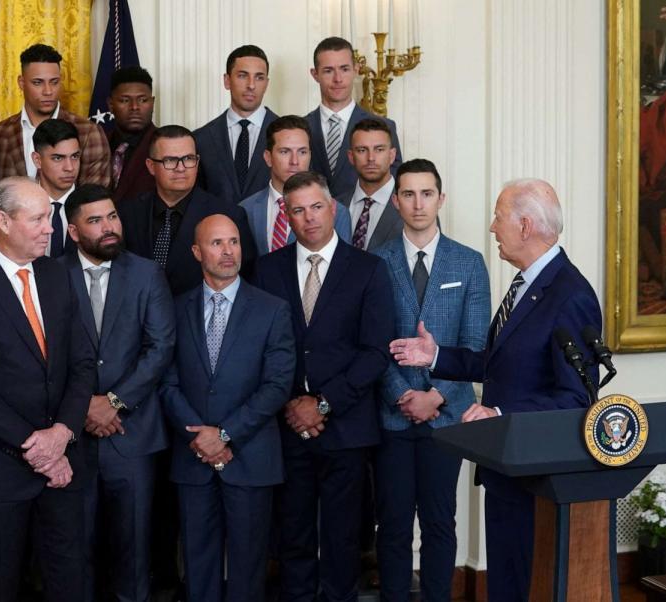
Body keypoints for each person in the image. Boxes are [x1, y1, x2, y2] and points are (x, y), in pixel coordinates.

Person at [389, 178, 602, 601]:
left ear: (525, 225)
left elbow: (576, 397)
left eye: (499, 217)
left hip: (535, 475)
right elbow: (499, 364)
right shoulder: (527, 284)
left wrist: (500, 415)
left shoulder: (569, 294)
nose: (491, 227)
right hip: (509, 469)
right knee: (507, 583)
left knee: (525, 583)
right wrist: (435, 356)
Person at [0, 176, 96, 601]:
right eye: (40, 219)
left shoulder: (58, 276)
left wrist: (62, 434)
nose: (51, 228)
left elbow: (82, 365)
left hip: (64, 467)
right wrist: (38, 449)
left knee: (69, 582)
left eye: (51, 218)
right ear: (3, 221)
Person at [253, 170, 394, 602]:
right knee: (291, 533)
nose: (309, 217)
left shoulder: (369, 269)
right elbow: (258, 350)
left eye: (317, 207)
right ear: (286, 215)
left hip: (347, 428)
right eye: (298, 210)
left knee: (342, 537)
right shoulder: (266, 270)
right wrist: (292, 406)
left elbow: (375, 351)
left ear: (333, 208)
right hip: (287, 424)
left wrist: (324, 404)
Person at [373, 159, 491, 601]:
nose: (418, 203)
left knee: (441, 521)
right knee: (394, 523)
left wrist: (437, 396)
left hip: (446, 420)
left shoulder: (469, 262)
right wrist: (403, 394)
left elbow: (475, 347)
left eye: (427, 194)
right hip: (393, 416)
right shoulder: (375, 262)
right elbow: (371, 343)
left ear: (441, 199)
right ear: (396, 200)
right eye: (408, 194)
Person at [162, 214, 295, 601]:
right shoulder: (175, 307)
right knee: (197, 565)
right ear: (196, 251)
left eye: (233, 242)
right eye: (217, 243)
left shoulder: (272, 309)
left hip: (250, 456)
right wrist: (200, 436)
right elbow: (166, 381)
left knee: (248, 568)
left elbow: (276, 386)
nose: (227, 251)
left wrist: (223, 434)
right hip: (193, 458)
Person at [59, 184, 175, 602]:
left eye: (112, 217)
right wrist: (83, 408)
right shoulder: (51, 274)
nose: (109, 228)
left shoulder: (147, 273)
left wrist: (113, 403)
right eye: (95, 221)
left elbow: (160, 347)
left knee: (134, 552)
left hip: (133, 434)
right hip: (72, 440)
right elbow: (48, 355)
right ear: (73, 231)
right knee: (76, 551)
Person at [117, 125, 256, 295]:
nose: (181, 168)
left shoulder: (228, 215)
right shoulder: (127, 213)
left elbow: (245, 280)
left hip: (199, 319)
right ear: (151, 166)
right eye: (170, 160)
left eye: (188, 159)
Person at [0, 43, 110, 186]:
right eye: (38, 82)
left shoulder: (88, 132)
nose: (48, 91)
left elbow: (95, 199)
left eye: (54, 82)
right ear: (21, 83)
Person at [240, 115, 352, 255]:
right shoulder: (245, 209)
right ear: (268, 158)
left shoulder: (337, 212)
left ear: (310, 155)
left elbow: (344, 267)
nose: (295, 161)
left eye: (302, 152)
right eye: (285, 152)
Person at [305, 37, 402, 195]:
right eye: (328, 71)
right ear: (315, 74)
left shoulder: (385, 127)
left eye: (344, 69)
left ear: (356, 70)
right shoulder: (300, 129)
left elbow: (396, 187)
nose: (338, 79)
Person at [194, 45, 278, 204]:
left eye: (259, 77)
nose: (251, 85)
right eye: (242, 76)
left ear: (266, 84)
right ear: (227, 81)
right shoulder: (201, 138)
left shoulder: (288, 135)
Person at [336, 118, 405, 252]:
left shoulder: (414, 205)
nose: (371, 158)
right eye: (362, 150)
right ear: (351, 156)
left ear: (392, 155)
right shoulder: (334, 205)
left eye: (379, 149)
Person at [31, 118, 81, 257]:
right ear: (37, 160)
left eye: (75, 157)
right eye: (58, 158)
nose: (70, 167)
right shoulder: (19, 208)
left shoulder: (92, 207)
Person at [107, 66, 158, 202]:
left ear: (152, 103)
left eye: (142, 100)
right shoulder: (100, 143)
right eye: (125, 100)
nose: (134, 107)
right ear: (110, 105)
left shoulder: (166, 146)